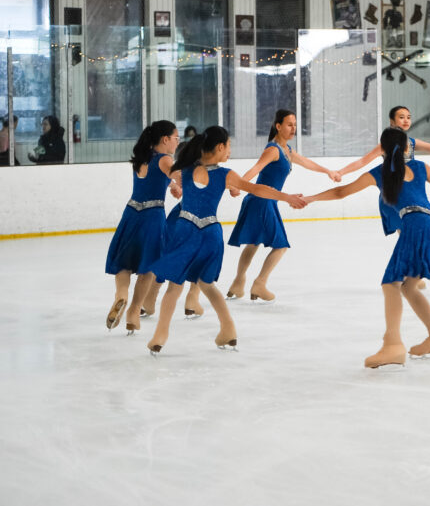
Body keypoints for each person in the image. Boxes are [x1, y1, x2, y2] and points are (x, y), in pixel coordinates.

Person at [302, 128, 430, 369]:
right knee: (407, 287)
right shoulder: (419, 167)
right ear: (407, 147)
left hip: (417, 225)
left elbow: (340, 192)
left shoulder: (379, 173)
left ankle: (392, 346)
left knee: (391, 284)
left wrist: (310, 198)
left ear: (382, 150)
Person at [145, 126, 305, 355]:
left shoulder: (187, 169)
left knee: (175, 286)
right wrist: (286, 197)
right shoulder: (225, 175)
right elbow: (257, 189)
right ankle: (228, 330)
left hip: (186, 231)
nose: (230, 151)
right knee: (207, 285)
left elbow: (169, 177)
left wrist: (174, 187)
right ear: (220, 147)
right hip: (211, 234)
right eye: (229, 146)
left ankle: (160, 336)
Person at [225, 109, 342, 303]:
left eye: (295, 125)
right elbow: (256, 168)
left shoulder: (286, 150)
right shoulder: (273, 150)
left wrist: (328, 171)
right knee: (280, 246)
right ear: (278, 126)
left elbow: (306, 162)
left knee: (253, 243)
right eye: (289, 124)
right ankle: (259, 283)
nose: (293, 128)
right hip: (262, 201)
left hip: (263, 201)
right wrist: (238, 184)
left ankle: (238, 283)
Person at [337, 105, 430, 239]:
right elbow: (362, 161)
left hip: (411, 191)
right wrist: (341, 172)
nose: (406, 120)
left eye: (408, 117)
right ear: (392, 121)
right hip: (394, 192)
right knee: (407, 233)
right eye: (401, 117)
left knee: (411, 234)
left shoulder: (411, 142)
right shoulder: (386, 144)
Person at [105, 121, 181, 333]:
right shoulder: (166, 159)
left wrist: (171, 185)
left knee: (124, 261)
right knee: (149, 265)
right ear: (165, 139)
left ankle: (121, 295)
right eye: (176, 138)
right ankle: (133, 312)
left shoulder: (142, 157)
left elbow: (156, 177)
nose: (177, 143)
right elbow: (177, 175)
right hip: (152, 216)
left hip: (131, 214)